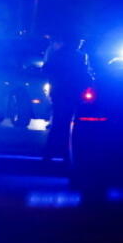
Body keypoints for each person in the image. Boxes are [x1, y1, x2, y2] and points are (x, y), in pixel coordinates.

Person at [41, 34, 91, 164]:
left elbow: (46, 70)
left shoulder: (57, 55)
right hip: (70, 93)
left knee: (58, 122)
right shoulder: (79, 56)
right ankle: (63, 153)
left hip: (59, 92)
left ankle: (50, 153)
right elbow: (83, 75)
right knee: (67, 122)